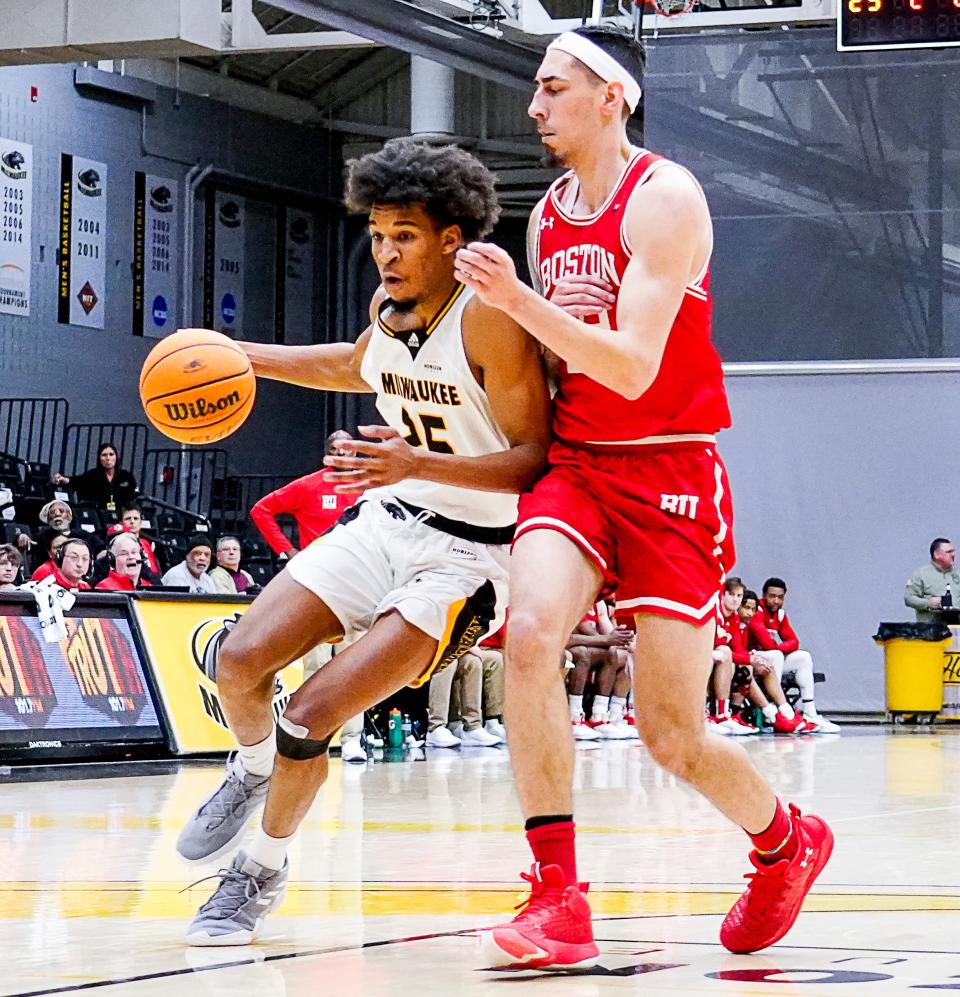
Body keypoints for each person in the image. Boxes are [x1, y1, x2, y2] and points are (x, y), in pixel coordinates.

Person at [453, 24, 833, 967]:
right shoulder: (545, 216)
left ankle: (787, 843)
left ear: (610, 96)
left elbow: (629, 366)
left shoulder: (665, 198)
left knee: (672, 733)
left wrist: (515, 303)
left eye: (552, 88)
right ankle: (558, 895)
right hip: (580, 467)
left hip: (669, 470)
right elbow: (557, 360)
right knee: (532, 635)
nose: (534, 106)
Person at [177, 139, 550, 946]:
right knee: (238, 661)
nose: (386, 249)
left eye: (405, 234)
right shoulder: (390, 312)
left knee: (309, 715)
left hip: (467, 560)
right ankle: (248, 770)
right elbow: (353, 365)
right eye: (379, 232)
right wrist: (241, 357)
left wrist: (414, 460)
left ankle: (260, 872)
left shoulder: (489, 322)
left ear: (452, 239)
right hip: (384, 520)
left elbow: (534, 462)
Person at [748, 577, 840, 734]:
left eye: (780, 597)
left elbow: (794, 641)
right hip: (751, 658)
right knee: (776, 655)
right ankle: (776, 710)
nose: (776, 601)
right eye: (772, 596)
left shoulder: (781, 615)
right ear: (763, 596)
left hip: (770, 659)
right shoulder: (756, 611)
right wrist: (778, 648)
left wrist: (778, 647)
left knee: (803, 657)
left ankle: (810, 712)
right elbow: (768, 645)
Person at [249, 431, 358, 561]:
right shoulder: (308, 485)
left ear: (355, 452)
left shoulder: (371, 485)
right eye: (334, 448)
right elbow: (260, 510)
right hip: (318, 566)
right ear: (327, 454)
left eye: (346, 448)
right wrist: (287, 550)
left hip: (358, 566)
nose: (341, 453)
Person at [723, 580, 804, 734]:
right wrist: (750, 659)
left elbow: (794, 642)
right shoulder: (727, 619)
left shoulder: (741, 622)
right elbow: (730, 650)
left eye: (752, 610)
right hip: (720, 663)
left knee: (768, 666)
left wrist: (751, 658)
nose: (749, 613)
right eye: (746, 608)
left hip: (737, 662)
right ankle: (771, 715)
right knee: (748, 667)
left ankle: (788, 714)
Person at [52, 441, 138, 517]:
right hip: (98, 514)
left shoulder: (126, 476)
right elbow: (77, 481)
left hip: (121, 515)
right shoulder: (92, 475)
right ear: (99, 458)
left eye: (111, 454)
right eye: (104, 455)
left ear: (116, 457)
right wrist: (63, 479)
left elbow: (134, 496)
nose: (108, 458)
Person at [905, 538, 960, 623]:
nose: (953, 555)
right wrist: (928, 603)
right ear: (937, 554)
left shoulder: (958, 574)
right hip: (930, 631)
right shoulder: (921, 574)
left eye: (953, 551)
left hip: (956, 629)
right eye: (948, 552)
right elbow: (909, 598)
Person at [119, 504, 161, 575]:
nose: (132, 521)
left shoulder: (146, 543)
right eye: (128, 518)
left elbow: (154, 571)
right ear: (121, 523)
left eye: (136, 518)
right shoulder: (119, 545)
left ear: (141, 522)